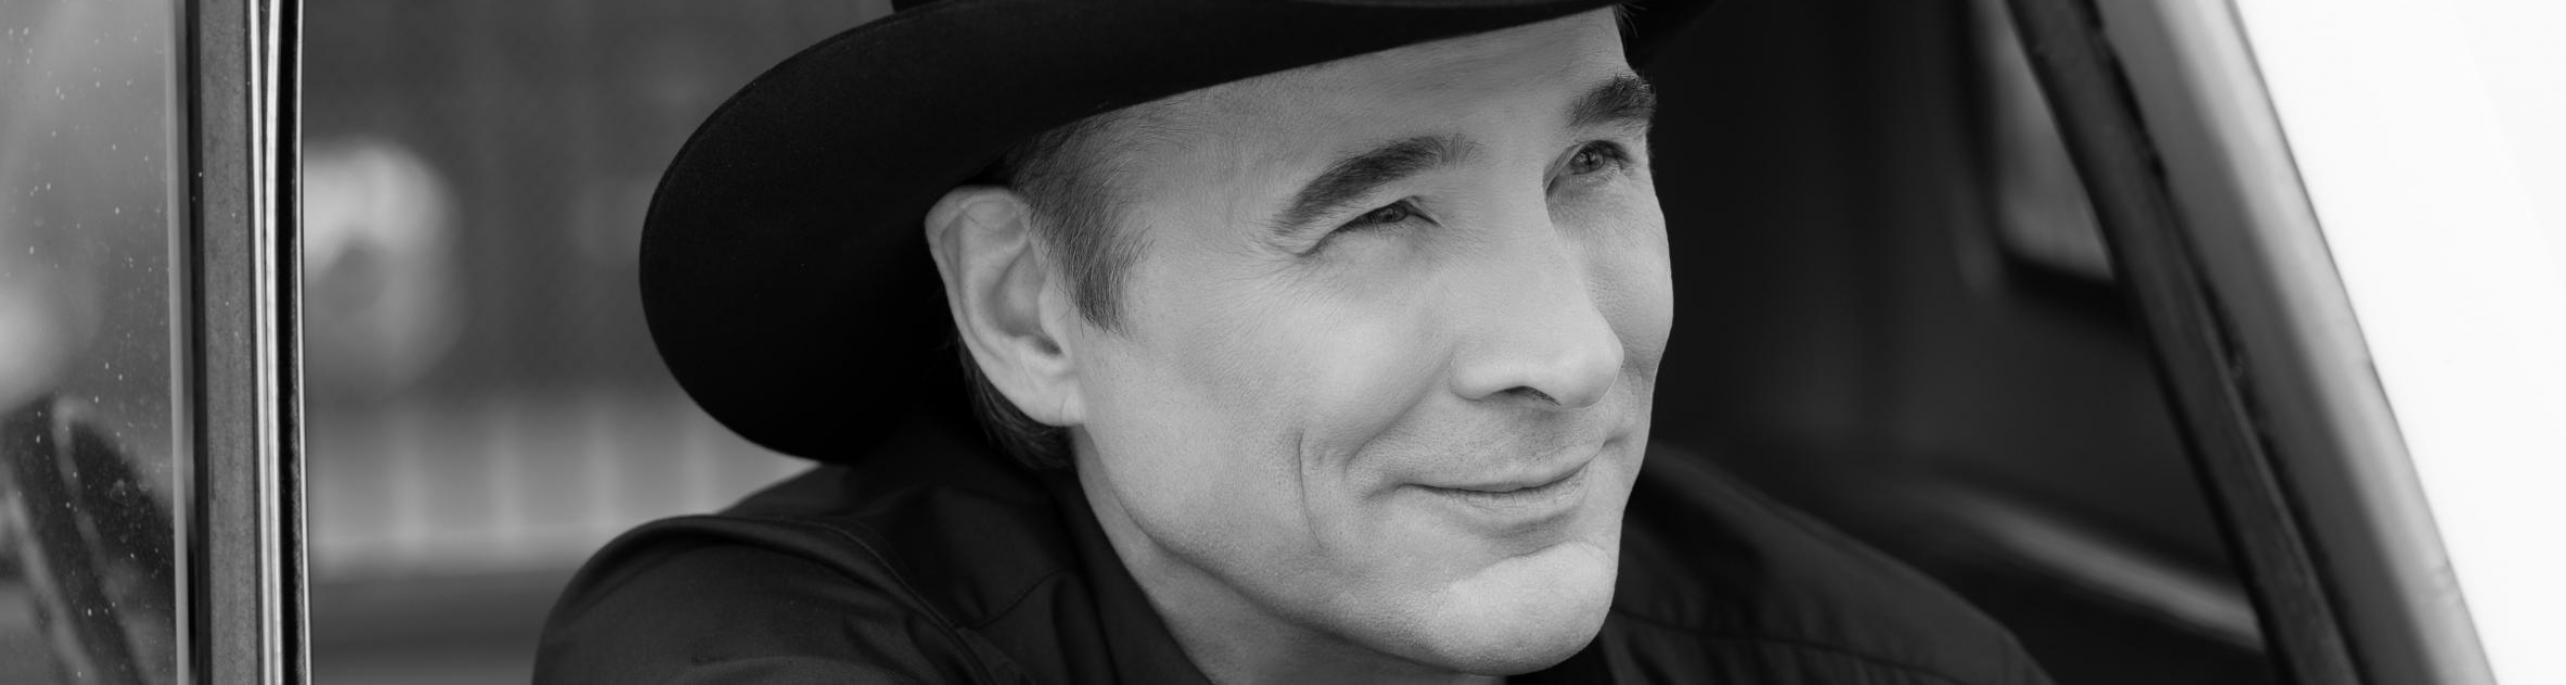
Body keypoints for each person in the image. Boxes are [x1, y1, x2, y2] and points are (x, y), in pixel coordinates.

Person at [537, 1, 2055, 682]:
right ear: (1026, 308)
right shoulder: (757, 646)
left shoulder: (1874, 667)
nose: (1572, 355)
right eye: (1382, 215)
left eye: (1590, 165)